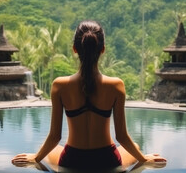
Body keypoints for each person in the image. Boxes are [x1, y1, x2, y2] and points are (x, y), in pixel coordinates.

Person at [12, 20, 167, 172]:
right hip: (106, 160)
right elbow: (122, 137)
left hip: (72, 160)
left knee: (42, 148)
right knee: (137, 147)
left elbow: (55, 136)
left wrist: (36, 158)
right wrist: (144, 160)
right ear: (102, 49)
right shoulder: (116, 85)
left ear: (74, 49)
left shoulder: (59, 85)